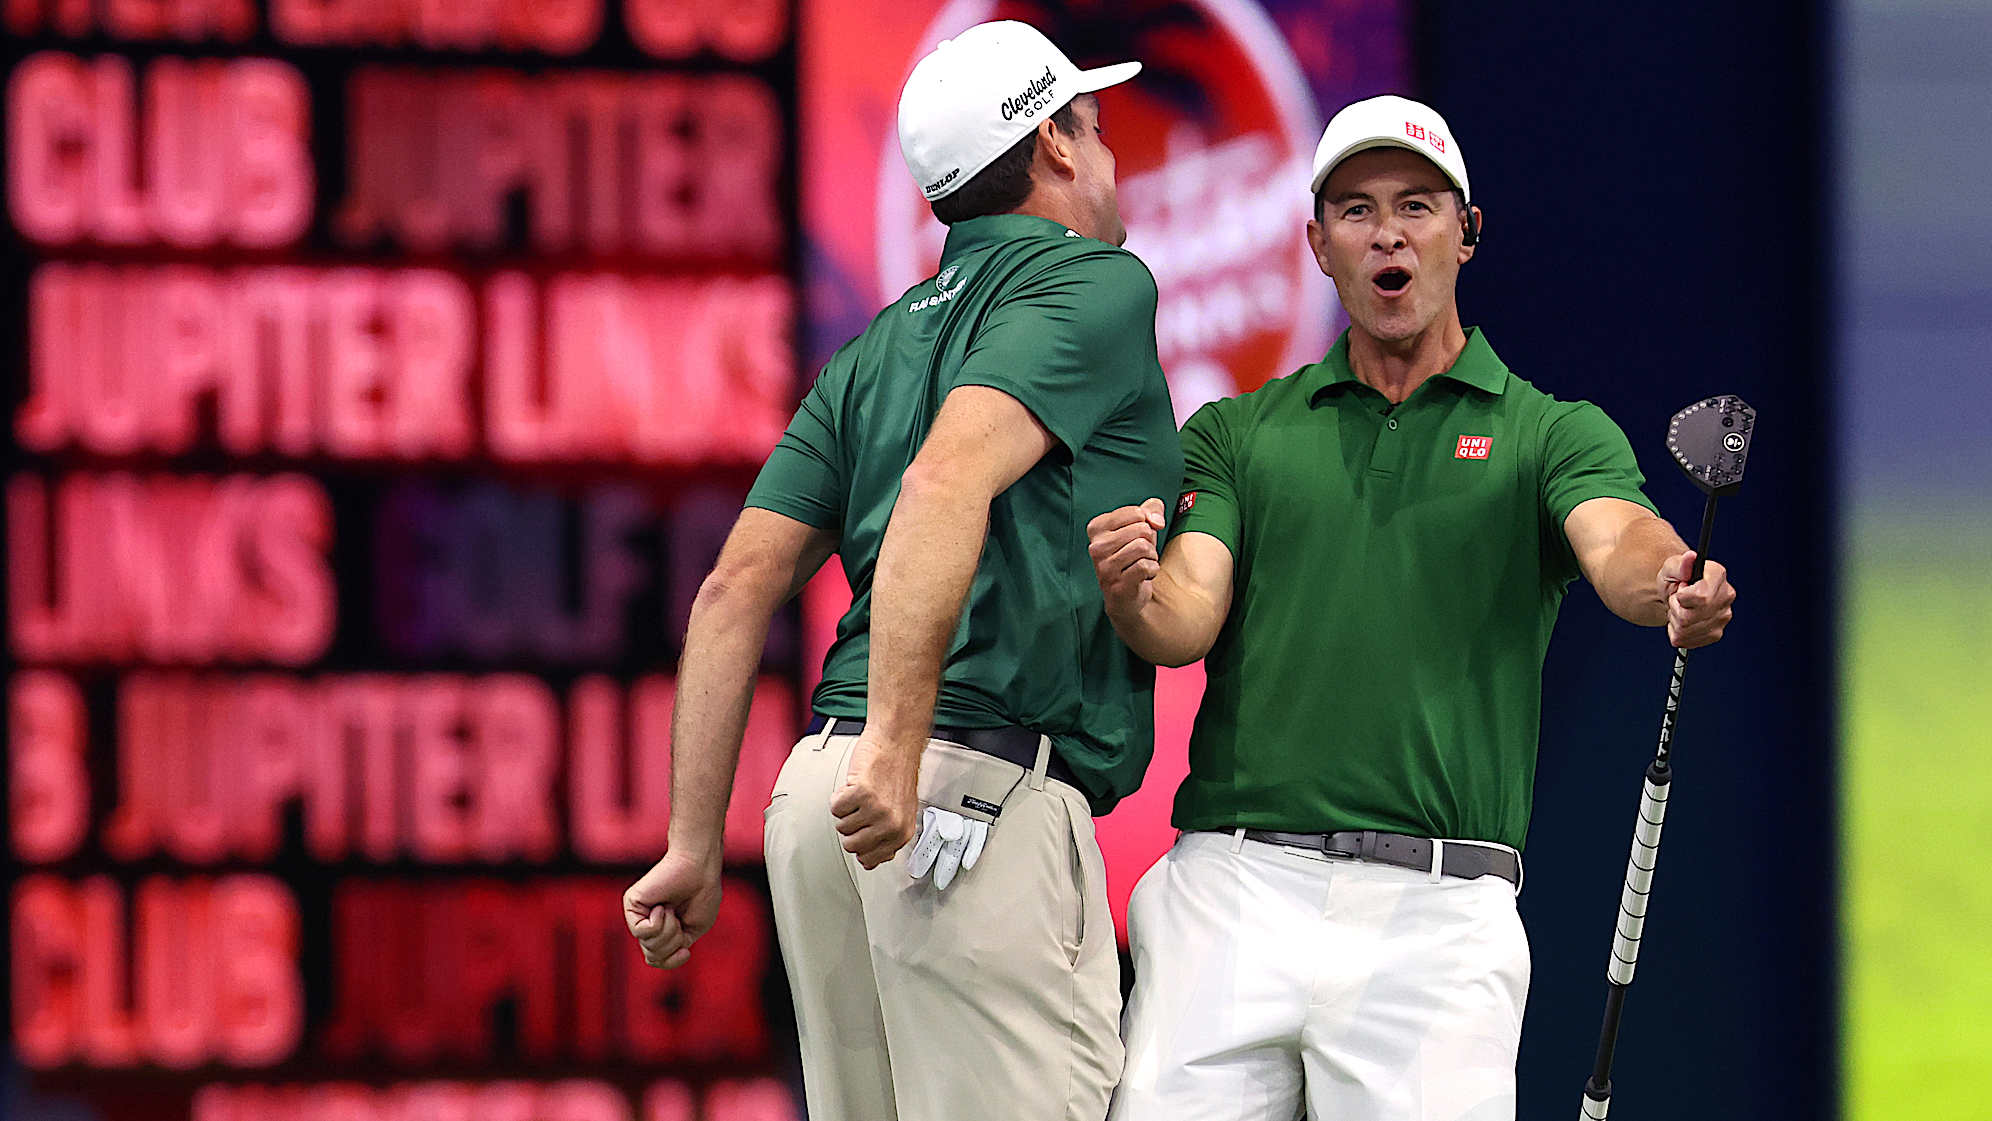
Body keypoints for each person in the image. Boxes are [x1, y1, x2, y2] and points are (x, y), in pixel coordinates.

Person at [1086, 95, 1739, 1121]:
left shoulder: (1546, 432)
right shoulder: (1236, 431)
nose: (1387, 231)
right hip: (1233, 892)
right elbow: (1184, 617)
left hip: (1439, 916)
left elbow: (1619, 538)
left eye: (1417, 205)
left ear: (1466, 233)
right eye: (1354, 209)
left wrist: (1671, 580)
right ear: (1316, 243)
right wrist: (1133, 591)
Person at [621, 20, 1182, 1121]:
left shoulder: (872, 348)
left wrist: (693, 844)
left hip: (816, 808)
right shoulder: (1099, 284)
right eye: (1097, 128)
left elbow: (732, 589)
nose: (1109, 159)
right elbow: (942, 484)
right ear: (1056, 147)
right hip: (954, 793)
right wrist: (896, 745)